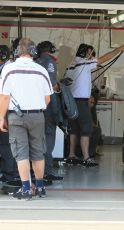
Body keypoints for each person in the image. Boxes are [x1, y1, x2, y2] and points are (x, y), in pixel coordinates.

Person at [0, 38, 53, 200]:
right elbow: (48, 99)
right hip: (38, 115)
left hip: (16, 116)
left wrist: (1, 117)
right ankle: (40, 187)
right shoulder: (41, 70)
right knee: (38, 152)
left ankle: (25, 188)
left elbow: (4, 98)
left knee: (21, 153)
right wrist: (37, 109)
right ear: (34, 52)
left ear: (16, 52)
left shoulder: (9, 69)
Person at [65, 42, 124, 167]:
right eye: (89, 53)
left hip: (71, 103)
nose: (91, 55)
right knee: (86, 130)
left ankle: (71, 155)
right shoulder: (84, 63)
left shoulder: (71, 65)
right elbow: (105, 58)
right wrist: (120, 49)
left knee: (74, 130)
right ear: (84, 53)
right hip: (81, 103)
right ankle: (86, 157)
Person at [35, 41, 63, 181]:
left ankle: (35, 171)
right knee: (49, 136)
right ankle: (47, 171)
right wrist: (59, 87)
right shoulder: (49, 61)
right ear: (50, 50)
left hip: (34, 107)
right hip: (48, 106)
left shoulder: (35, 61)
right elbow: (51, 84)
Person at [0, 44, 18, 183]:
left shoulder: (8, 69)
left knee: (6, 145)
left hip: (6, 112)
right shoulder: (9, 67)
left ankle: (9, 176)